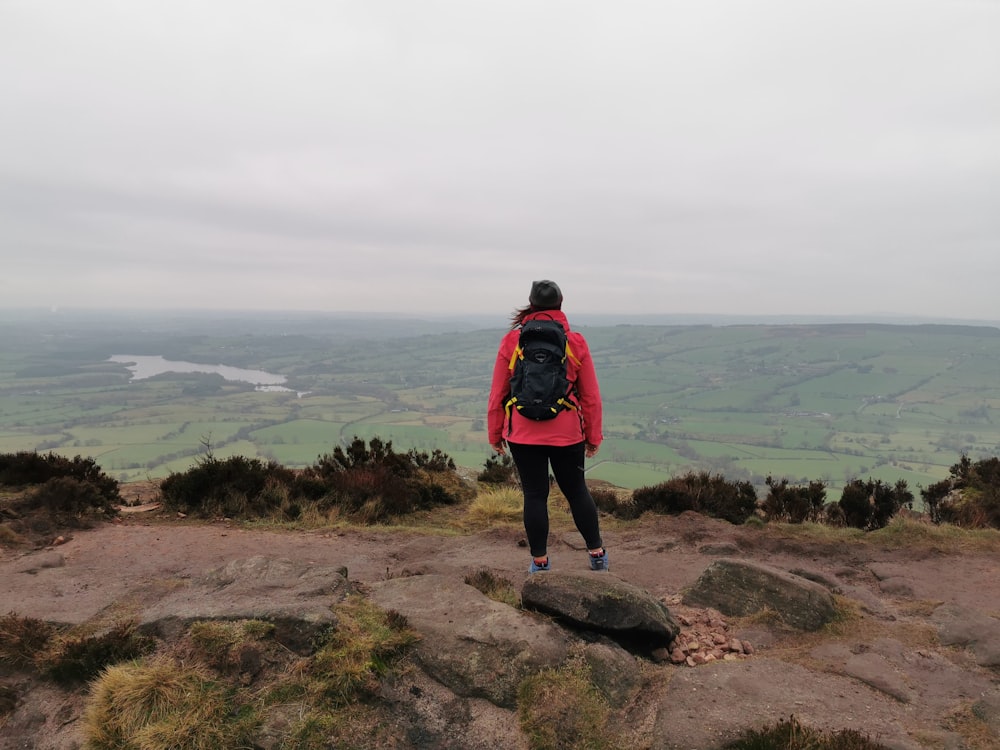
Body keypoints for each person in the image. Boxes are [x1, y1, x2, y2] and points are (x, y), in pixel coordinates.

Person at [487, 280, 608, 573]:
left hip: (523, 434)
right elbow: (590, 396)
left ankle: (540, 563)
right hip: (566, 433)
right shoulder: (575, 342)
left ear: (531, 304)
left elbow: (498, 393)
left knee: (535, 495)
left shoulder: (512, 342)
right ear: (560, 304)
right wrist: (593, 436)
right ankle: (596, 555)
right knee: (577, 491)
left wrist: (495, 433)